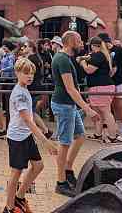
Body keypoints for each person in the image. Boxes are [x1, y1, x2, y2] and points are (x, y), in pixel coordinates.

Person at [3, 57, 58, 213]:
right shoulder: (19, 94)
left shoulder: (24, 90)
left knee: (38, 166)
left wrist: (43, 129)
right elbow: (27, 119)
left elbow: (31, 115)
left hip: (26, 136)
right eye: (26, 73)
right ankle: (9, 207)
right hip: (17, 138)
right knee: (16, 173)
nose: (30, 76)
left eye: (32, 73)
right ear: (17, 73)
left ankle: (19, 197)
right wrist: (45, 141)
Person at [50, 31, 97, 197]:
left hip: (69, 105)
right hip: (64, 105)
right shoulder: (62, 59)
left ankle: (68, 170)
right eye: (79, 41)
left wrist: (82, 104)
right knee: (64, 143)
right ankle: (61, 182)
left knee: (80, 136)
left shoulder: (65, 58)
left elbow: (72, 88)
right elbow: (70, 88)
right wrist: (87, 108)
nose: (82, 43)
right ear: (70, 41)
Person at [80, 36, 119, 143]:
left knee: (105, 112)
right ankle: (98, 134)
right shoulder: (105, 55)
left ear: (92, 46)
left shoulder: (98, 55)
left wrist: (83, 63)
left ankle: (112, 136)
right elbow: (114, 69)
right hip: (103, 85)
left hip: (100, 87)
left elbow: (89, 70)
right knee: (99, 112)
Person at [99, 33, 122, 141]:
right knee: (114, 107)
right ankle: (119, 130)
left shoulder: (119, 50)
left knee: (121, 106)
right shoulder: (103, 52)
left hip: (120, 81)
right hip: (110, 83)